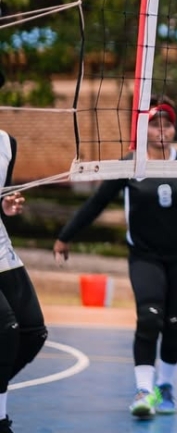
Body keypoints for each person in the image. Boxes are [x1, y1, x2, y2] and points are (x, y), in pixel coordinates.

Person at [53, 100, 177, 419]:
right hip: (145, 256)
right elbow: (97, 203)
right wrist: (66, 235)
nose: (161, 130)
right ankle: (144, 390)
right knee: (149, 318)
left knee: (175, 325)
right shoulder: (131, 164)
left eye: (166, 124)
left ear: (174, 130)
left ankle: (165, 387)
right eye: (154, 124)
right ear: (143, 130)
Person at [0, 127, 48, 433]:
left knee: (32, 331)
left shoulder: (6, 143)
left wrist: (5, 207)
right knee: (6, 329)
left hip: (1, 252)